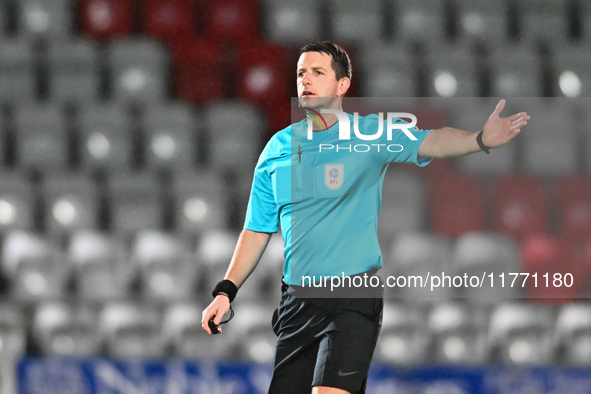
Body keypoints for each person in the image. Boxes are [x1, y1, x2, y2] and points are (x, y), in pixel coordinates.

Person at [201, 41, 530, 394]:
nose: (305, 81)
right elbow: (256, 230)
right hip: (296, 301)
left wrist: (479, 139)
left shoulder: (369, 134)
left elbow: (432, 141)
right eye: (300, 73)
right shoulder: (278, 148)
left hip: (352, 295)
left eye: (317, 72)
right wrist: (225, 291)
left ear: (343, 85)